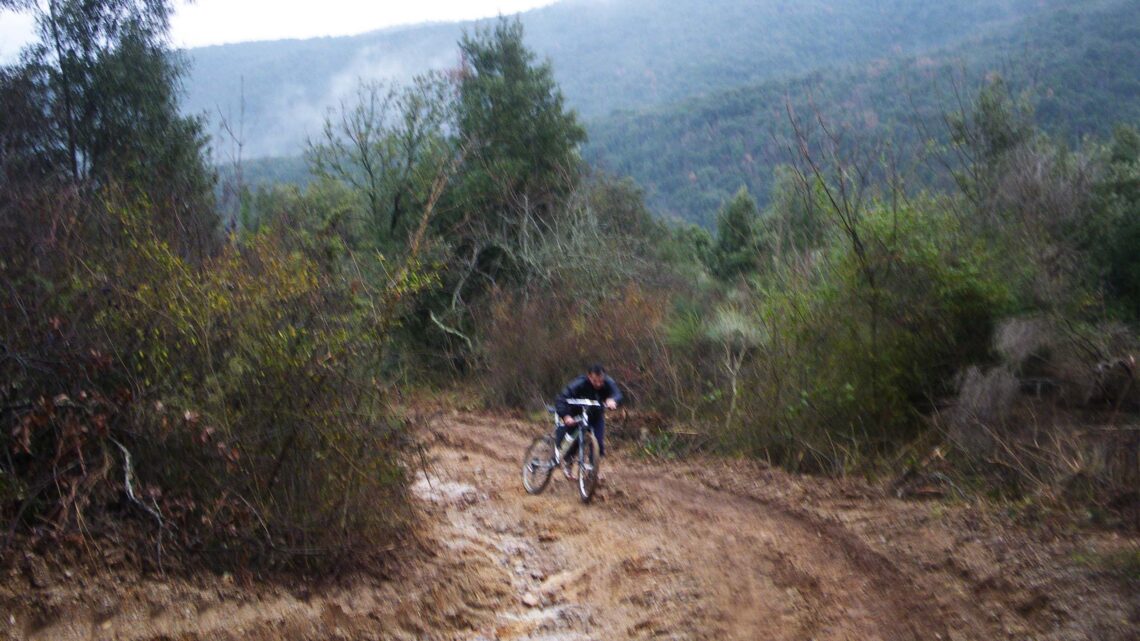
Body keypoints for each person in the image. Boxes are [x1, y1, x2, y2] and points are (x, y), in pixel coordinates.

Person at [554, 364, 622, 478]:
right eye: (595, 381)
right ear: (589, 376)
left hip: (595, 415)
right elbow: (561, 398)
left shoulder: (608, 382)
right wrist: (566, 416)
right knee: (575, 439)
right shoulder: (579, 383)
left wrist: (613, 400)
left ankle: (593, 470)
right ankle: (568, 462)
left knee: (598, 442)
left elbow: (618, 394)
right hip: (576, 413)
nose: (599, 384)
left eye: (601, 381)